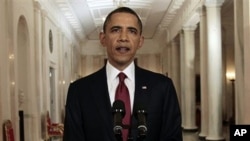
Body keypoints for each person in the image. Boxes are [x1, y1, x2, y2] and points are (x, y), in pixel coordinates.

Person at [63, 7, 182, 141]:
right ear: (103, 38)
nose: (123, 38)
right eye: (116, 30)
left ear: (140, 41)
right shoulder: (79, 90)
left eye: (132, 31)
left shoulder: (163, 87)